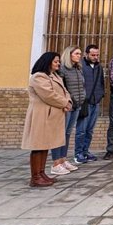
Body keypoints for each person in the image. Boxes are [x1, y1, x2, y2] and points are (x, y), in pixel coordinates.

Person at [22, 52, 72, 187]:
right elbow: (48, 95)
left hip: (50, 115)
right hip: (41, 115)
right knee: (38, 145)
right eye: (55, 61)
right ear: (48, 62)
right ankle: (35, 177)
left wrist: (68, 100)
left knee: (45, 145)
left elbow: (64, 91)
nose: (58, 64)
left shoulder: (54, 76)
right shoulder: (38, 77)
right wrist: (64, 103)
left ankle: (42, 172)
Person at [50, 46, 84, 175]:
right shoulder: (62, 69)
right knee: (60, 134)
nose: (79, 56)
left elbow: (82, 85)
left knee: (67, 133)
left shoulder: (78, 69)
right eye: (76, 53)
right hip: (66, 106)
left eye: (80, 54)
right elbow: (60, 88)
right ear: (68, 55)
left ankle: (63, 159)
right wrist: (66, 102)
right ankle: (56, 163)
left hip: (77, 105)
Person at [75, 44, 105, 164]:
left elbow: (102, 82)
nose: (95, 57)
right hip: (84, 102)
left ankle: (85, 151)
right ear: (86, 54)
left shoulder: (99, 67)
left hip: (95, 101)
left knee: (90, 130)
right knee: (81, 130)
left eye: (97, 55)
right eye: (93, 55)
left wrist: (100, 95)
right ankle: (78, 153)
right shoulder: (80, 66)